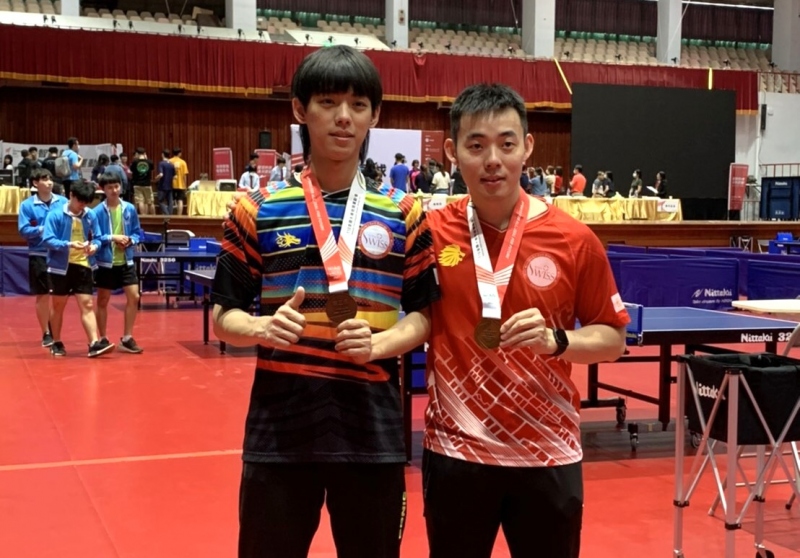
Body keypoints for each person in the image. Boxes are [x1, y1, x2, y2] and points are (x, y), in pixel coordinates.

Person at [364, 83, 629, 558]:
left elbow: (613, 339)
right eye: (476, 145)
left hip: (549, 452)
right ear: (452, 152)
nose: (493, 160)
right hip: (456, 453)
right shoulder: (429, 232)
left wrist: (557, 340)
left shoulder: (575, 240)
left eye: (506, 144)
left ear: (527, 147)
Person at [211, 45, 439, 558]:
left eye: (358, 105)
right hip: (279, 434)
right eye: (328, 102)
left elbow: (425, 317)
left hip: (373, 435)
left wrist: (381, 344)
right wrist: (260, 328)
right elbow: (223, 314)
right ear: (300, 109)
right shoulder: (256, 210)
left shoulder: (404, 212)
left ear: (375, 115)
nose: (343, 117)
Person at [42, 179, 115, 358]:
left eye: (86, 202)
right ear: (71, 195)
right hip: (60, 268)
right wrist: (69, 244)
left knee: (87, 304)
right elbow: (48, 239)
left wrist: (94, 246)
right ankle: (57, 342)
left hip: (83, 265)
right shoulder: (55, 215)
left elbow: (98, 237)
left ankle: (94, 343)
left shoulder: (90, 215)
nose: (82, 205)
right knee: (58, 305)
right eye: (79, 201)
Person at [92, 173, 144, 354]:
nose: (114, 190)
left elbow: (137, 232)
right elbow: (96, 237)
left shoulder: (129, 208)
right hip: (106, 262)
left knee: (134, 296)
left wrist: (130, 240)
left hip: (126, 261)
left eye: (116, 186)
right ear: (103, 189)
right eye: (109, 187)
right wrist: (113, 238)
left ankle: (127, 338)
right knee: (103, 300)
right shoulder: (97, 212)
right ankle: (103, 338)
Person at [18, 169, 68, 347]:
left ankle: (55, 330)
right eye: (44, 179)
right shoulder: (27, 205)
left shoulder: (63, 202)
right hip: (38, 254)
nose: (49, 182)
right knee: (43, 294)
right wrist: (42, 229)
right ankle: (46, 332)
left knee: (59, 296)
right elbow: (23, 230)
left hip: (59, 253)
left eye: (50, 179)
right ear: (35, 183)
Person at [131, 148, 155, 215]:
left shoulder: (134, 162)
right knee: (150, 202)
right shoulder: (149, 162)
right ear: (144, 153)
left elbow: (132, 170)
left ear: (137, 153)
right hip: (147, 184)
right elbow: (152, 169)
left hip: (137, 184)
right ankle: (154, 216)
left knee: (140, 201)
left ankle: (143, 216)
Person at [155, 150, 175, 216]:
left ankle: (167, 214)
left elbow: (161, 174)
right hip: (170, 185)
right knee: (170, 202)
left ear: (163, 155)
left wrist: (156, 178)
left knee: (160, 201)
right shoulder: (172, 165)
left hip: (162, 185)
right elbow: (174, 176)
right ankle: (170, 216)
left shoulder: (161, 163)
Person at [169, 148, 189, 215]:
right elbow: (184, 175)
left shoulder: (169, 161)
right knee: (180, 200)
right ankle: (179, 216)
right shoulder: (183, 162)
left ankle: (170, 215)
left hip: (171, 184)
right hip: (180, 185)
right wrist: (185, 185)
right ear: (179, 153)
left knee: (171, 200)